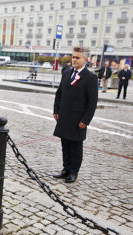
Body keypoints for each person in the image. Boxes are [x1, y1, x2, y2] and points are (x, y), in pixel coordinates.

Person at [53, 46, 98, 183]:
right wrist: (56, 111)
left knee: (76, 147)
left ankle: (73, 172)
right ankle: (65, 169)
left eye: (77, 57)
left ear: (85, 59)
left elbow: (92, 102)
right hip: (64, 116)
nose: (74, 59)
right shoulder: (66, 73)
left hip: (78, 119)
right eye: (73, 57)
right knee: (65, 144)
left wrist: (86, 120)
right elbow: (59, 93)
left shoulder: (91, 77)